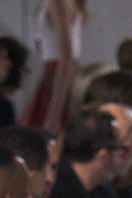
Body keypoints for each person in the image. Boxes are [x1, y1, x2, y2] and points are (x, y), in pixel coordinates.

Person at [22, 0, 86, 134]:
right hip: (56, 77)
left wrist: (53, 115)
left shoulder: (59, 3)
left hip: (58, 79)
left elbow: (67, 59)